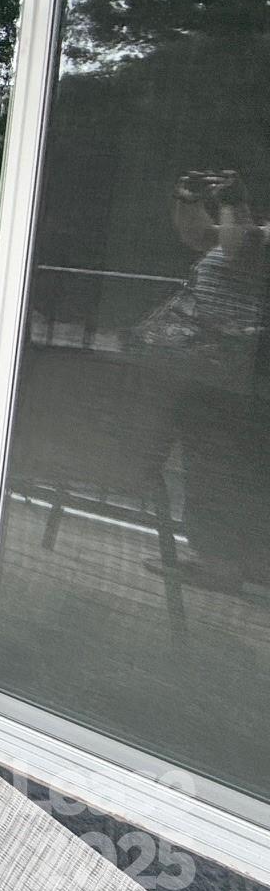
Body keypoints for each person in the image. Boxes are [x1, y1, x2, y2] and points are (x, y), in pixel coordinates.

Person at [131, 169, 270, 594]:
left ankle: (221, 564)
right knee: (217, 462)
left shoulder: (254, 238)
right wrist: (187, 200)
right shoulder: (254, 231)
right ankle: (237, 561)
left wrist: (231, 201)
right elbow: (201, 238)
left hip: (234, 369)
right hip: (217, 368)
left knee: (220, 465)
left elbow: (237, 249)